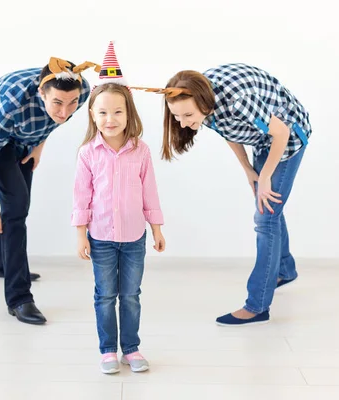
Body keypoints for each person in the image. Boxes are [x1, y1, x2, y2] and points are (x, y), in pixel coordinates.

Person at [133, 63, 311, 326]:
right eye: (177, 117)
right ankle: (284, 269)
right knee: (268, 206)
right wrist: (248, 169)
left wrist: (264, 177)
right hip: (261, 139)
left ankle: (257, 305)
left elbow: (281, 132)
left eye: (187, 115)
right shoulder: (203, 101)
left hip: (288, 138)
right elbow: (227, 129)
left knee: (266, 216)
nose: (183, 123)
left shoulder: (238, 101)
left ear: (204, 103)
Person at [0, 57, 100, 325]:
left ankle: (3, 264)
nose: (65, 111)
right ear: (42, 93)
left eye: (71, 103)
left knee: (19, 204)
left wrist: (38, 144)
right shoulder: (10, 105)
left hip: (28, 136)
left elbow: (56, 119)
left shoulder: (82, 90)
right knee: (16, 207)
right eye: (57, 103)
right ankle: (19, 299)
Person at [71, 42, 166, 374]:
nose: (110, 119)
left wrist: (156, 228)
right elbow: (81, 197)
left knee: (130, 295)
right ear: (92, 115)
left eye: (117, 112)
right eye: (102, 112)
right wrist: (81, 235)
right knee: (104, 295)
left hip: (134, 238)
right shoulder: (87, 153)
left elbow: (149, 192)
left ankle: (132, 348)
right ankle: (108, 350)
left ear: (129, 114)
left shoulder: (141, 151)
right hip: (100, 238)